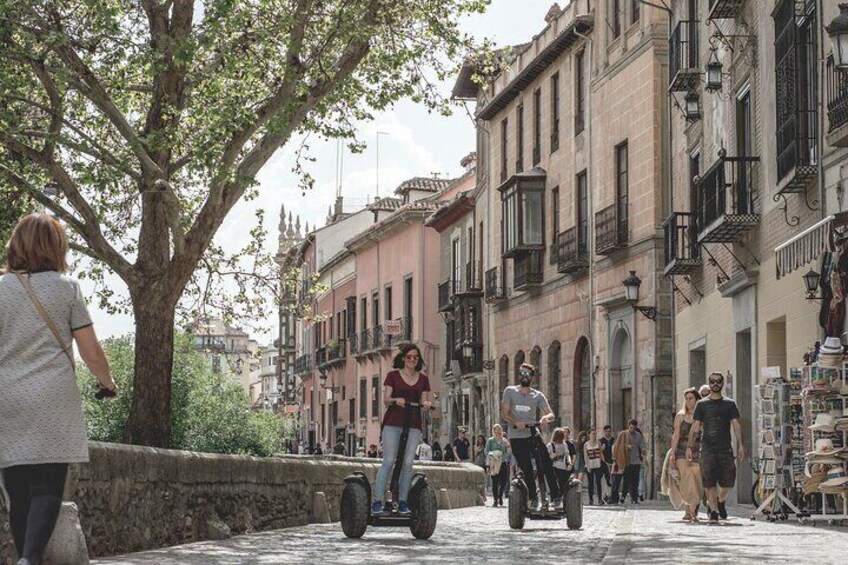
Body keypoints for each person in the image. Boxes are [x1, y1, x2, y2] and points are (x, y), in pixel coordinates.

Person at [0, 214, 118, 565]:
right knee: (48, 485)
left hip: (7, 397)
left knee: (17, 491)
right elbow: (90, 350)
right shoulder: (66, 289)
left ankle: (26, 558)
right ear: (56, 248)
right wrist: (107, 383)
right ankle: (29, 560)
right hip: (53, 397)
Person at [372, 344, 431, 516]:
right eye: (409, 357)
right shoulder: (393, 376)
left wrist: (426, 405)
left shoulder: (423, 379)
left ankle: (403, 501)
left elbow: (425, 400)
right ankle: (377, 501)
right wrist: (395, 400)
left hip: (413, 424)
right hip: (393, 423)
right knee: (389, 460)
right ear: (403, 358)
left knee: (407, 463)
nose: (412, 360)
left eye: (415, 357)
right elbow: (385, 399)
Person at [501, 363, 561, 511]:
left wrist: (545, 418)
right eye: (522, 373)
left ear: (532, 378)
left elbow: (551, 413)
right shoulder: (510, 391)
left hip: (533, 433)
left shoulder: (537, 395)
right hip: (516, 436)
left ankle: (555, 496)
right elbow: (505, 413)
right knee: (527, 468)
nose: (524, 376)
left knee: (546, 463)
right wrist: (516, 422)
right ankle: (533, 498)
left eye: (527, 374)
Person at [688, 371, 746, 524]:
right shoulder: (702, 404)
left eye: (718, 381)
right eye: (712, 381)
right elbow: (695, 427)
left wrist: (741, 445)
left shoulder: (730, 404)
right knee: (709, 482)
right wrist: (689, 446)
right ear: (709, 382)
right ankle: (713, 511)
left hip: (725, 448)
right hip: (707, 449)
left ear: (722, 384)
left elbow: (736, 425)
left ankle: (720, 501)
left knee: (728, 482)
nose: (715, 384)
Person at [669, 387, 704, 522]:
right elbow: (676, 435)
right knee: (687, 479)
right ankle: (690, 512)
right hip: (681, 452)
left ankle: (691, 510)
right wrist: (672, 453)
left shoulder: (702, 416)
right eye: (687, 399)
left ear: (697, 400)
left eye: (691, 398)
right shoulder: (680, 416)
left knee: (697, 481)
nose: (689, 401)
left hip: (698, 451)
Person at [485, 424, 511, 507]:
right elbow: (486, 451)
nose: (497, 431)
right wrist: (493, 454)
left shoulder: (504, 440)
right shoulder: (490, 440)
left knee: (504, 481)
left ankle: (500, 495)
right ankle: (495, 499)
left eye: (499, 429)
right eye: (495, 429)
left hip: (503, 462)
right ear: (493, 430)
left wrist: (506, 452)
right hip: (494, 463)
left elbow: (509, 451)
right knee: (495, 482)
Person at [623, 419, 645, 504]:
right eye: (631, 427)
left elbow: (642, 445)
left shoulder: (638, 435)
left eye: (634, 428)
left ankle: (634, 498)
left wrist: (643, 451)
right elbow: (618, 445)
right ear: (628, 426)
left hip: (636, 461)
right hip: (627, 461)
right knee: (627, 480)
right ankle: (623, 496)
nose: (632, 429)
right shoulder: (624, 435)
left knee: (635, 481)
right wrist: (626, 446)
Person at [548, 427, 572, 500]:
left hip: (562, 466)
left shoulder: (564, 445)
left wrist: (569, 462)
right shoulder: (550, 445)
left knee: (562, 483)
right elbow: (546, 457)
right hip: (553, 466)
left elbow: (567, 454)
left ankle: (561, 497)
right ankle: (554, 497)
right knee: (554, 482)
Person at [584, 429, 604, 505]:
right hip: (590, 464)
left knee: (598, 482)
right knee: (591, 483)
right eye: (592, 434)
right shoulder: (586, 444)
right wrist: (588, 465)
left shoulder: (598, 443)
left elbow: (601, 454)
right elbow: (586, 456)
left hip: (598, 464)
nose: (594, 435)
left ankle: (599, 499)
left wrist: (602, 462)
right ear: (589, 435)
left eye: (595, 434)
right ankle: (591, 499)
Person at [611, 430, 630, 504]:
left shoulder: (614, 446)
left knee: (615, 484)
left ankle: (615, 499)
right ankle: (618, 498)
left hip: (616, 466)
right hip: (620, 466)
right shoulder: (622, 447)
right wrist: (622, 467)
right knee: (618, 484)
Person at [599, 425, 614, 501]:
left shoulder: (613, 440)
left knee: (611, 479)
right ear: (604, 432)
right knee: (605, 479)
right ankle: (605, 494)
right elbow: (598, 451)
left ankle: (610, 494)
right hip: (604, 462)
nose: (608, 433)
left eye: (609, 431)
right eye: (607, 431)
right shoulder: (601, 441)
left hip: (612, 461)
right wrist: (601, 449)